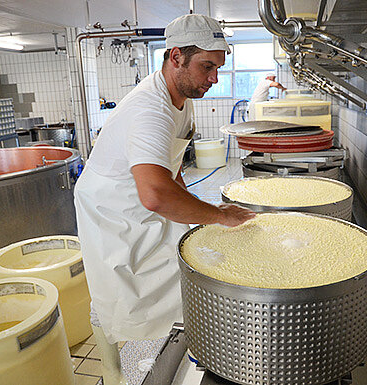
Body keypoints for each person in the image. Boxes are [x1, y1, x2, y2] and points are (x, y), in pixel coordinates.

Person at [73, 14, 255, 384]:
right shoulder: (149, 110)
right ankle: (122, 371)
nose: (213, 79)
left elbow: (171, 172)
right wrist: (218, 215)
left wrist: (193, 221)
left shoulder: (182, 100)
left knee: (180, 269)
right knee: (127, 292)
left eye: (218, 68)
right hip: (112, 211)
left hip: (140, 199)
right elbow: (155, 193)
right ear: (175, 57)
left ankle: (164, 347)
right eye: (207, 67)